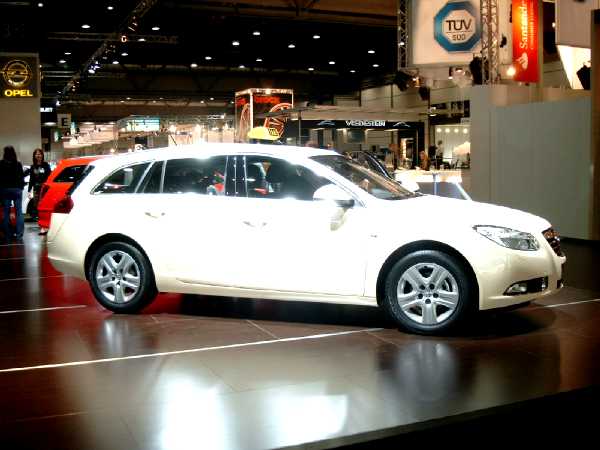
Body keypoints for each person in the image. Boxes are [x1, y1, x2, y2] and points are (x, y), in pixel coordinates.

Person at [0, 146, 25, 243]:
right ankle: (19, 235)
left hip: (5, 190)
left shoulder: (1, 164)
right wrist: (21, 187)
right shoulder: (18, 164)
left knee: (6, 212)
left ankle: (8, 235)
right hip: (17, 190)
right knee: (19, 212)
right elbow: (21, 177)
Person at [27, 148, 51, 223]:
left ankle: (45, 220)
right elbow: (31, 179)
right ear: (34, 156)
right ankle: (40, 221)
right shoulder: (32, 166)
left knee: (45, 204)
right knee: (37, 205)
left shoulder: (46, 165)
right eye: (36, 154)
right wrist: (29, 191)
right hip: (36, 189)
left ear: (42, 155)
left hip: (45, 188)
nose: (38, 155)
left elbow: (50, 176)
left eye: (39, 154)